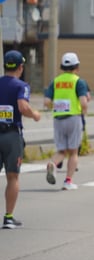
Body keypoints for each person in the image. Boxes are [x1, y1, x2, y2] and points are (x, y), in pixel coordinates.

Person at [0, 51, 41, 228]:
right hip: (11, 135)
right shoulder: (21, 86)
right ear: (21, 67)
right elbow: (23, 107)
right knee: (12, 176)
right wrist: (35, 114)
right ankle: (8, 217)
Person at [44, 52, 89, 190]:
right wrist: (84, 112)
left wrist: (56, 107)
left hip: (58, 119)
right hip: (73, 118)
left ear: (62, 66)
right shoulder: (78, 81)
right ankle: (68, 181)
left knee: (62, 151)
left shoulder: (55, 81)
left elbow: (46, 102)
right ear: (77, 66)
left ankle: (53, 163)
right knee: (73, 152)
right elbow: (83, 101)